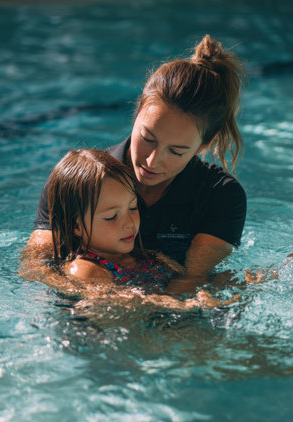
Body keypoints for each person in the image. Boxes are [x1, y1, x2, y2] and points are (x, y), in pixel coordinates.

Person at [28, 34, 247, 293]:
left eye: (176, 151)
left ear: (202, 147)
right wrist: (96, 291)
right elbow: (35, 266)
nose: (152, 161)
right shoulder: (81, 181)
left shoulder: (219, 196)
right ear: (136, 114)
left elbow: (191, 279)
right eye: (147, 138)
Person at [47, 148, 182, 291]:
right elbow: (117, 305)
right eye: (111, 217)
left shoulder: (144, 255)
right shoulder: (86, 270)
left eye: (133, 208)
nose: (129, 223)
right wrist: (179, 304)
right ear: (76, 226)